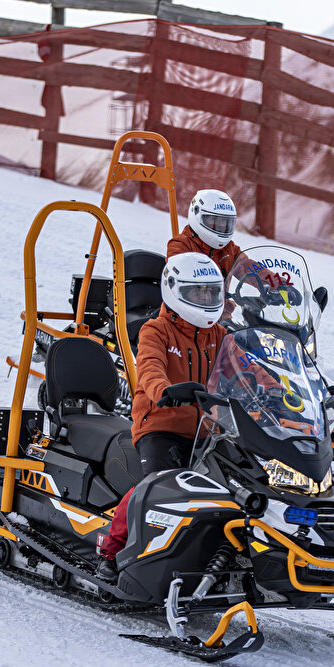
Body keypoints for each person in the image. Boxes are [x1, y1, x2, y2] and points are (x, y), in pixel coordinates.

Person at [95, 252, 226, 582]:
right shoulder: (156, 330)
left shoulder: (221, 335)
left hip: (210, 430)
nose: (206, 300)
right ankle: (112, 551)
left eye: (212, 293)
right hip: (161, 425)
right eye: (199, 293)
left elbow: (250, 370)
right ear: (175, 291)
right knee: (155, 485)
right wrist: (165, 390)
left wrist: (283, 393)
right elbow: (149, 368)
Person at [167, 189, 241, 278]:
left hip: (219, 292)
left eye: (225, 221)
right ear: (197, 215)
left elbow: (245, 265)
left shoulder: (229, 248)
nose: (221, 225)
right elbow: (179, 270)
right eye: (214, 220)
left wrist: (261, 275)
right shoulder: (180, 245)